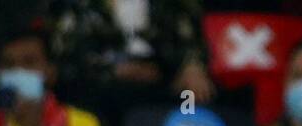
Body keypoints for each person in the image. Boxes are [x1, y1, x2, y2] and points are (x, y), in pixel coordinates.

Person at [47, 0, 214, 109]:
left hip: (164, 87)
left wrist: (192, 67)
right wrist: (114, 71)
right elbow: (66, 60)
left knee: (192, 98)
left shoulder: (172, 5)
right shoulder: (79, 6)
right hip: (102, 92)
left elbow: (191, 43)